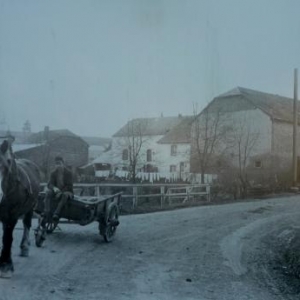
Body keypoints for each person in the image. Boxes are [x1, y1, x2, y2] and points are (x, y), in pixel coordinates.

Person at [43, 156, 73, 222]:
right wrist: (54, 188)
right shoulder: (53, 173)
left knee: (64, 195)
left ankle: (56, 213)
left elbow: (69, 186)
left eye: (59, 163)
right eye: (56, 164)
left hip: (67, 191)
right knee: (48, 193)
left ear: (63, 163)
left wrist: (61, 192)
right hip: (56, 191)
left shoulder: (68, 173)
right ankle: (46, 211)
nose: (58, 165)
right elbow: (50, 184)